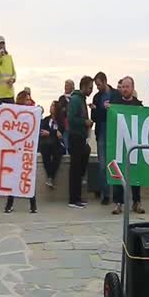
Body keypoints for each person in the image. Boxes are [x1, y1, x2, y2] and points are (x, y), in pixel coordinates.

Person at [109, 77, 145, 214]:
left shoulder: (138, 105)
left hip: (134, 145)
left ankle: (137, 202)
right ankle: (118, 203)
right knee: (118, 174)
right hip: (119, 145)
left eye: (127, 87)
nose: (124, 89)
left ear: (132, 88)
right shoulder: (115, 104)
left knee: (136, 174)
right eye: (122, 87)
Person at [4, 91, 38, 213]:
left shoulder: (32, 113)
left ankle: (33, 204)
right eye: (27, 99)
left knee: (28, 176)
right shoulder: (15, 113)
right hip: (16, 150)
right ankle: (9, 204)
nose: (29, 101)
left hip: (27, 149)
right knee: (14, 177)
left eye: (30, 99)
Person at [91, 72, 120, 205]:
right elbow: (94, 117)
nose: (97, 87)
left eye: (98, 84)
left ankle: (117, 195)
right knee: (102, 165)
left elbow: (117, 111)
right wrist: (100, 110)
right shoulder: (97, 97)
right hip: (101, 133)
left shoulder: (115, 94)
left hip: (114, 133)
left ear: (104, 81)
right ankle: (106, 194)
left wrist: (101, 110)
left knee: (115, 164)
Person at [67, 76, 94, 209]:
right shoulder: (75, 100)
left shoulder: (82, 100)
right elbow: (71, 119)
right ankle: (73, 199)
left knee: (79, 167)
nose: (91, 90)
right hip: (75, 137)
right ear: (84, 86)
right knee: (75, 168)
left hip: (81, 137)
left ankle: (77, 197)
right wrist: (84, 122)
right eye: (90, 87)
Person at [40, 101, 65, 189]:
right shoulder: (47, 120)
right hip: (46, 144)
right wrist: (54, 133)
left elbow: (60, 134)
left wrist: (50, 133)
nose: (51, 107)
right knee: (45, 152)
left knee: (57, 154)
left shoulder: (61, 122)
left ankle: (51, 176)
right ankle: (50, 176)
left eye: (53, 106)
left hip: (57, 145)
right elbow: (43, 132)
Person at [57, 79, 75, 152]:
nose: (66, 87)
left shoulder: (74, 98)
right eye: (65, 85)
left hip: (73, 125)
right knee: (65, 143)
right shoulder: (61, 99)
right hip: (64, 125)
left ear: (72, 87)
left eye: (67, 86)